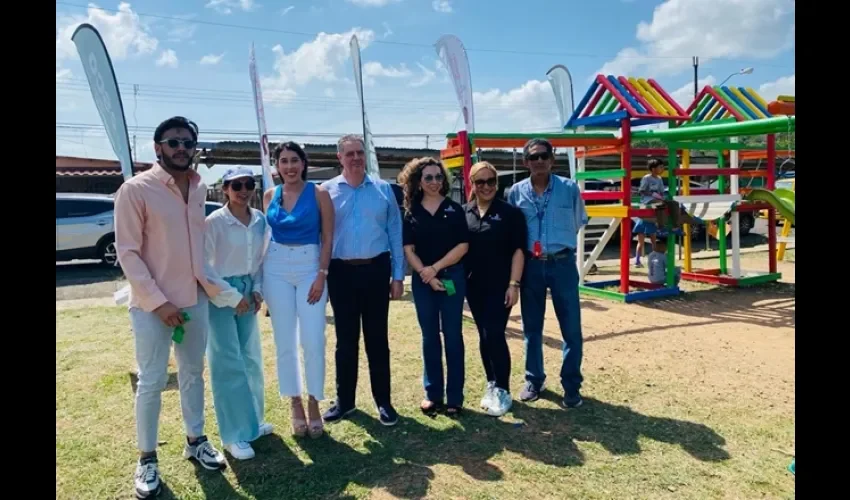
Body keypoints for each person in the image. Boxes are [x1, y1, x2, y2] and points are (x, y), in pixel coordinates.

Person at [114, 116, 226, 499]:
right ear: (158, 146)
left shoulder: (198, 187)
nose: (181, 148)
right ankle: (147, 458)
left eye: (187, 143)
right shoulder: (135, 189)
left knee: (194, 373)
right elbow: (127, 253)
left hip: (195, 299)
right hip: (151, 305)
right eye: (173, 142)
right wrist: (159, 303)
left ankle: (196, 440)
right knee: (152, 381)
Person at [321, 134, 405, 426]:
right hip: (340, 272)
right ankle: (345, 402)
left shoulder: (383, 190)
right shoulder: (326, 191)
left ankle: (384, 401)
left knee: (377, 339)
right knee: (345, 341)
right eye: (350, 154)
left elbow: (395, 232)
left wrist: (397, 277)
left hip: (376, 270)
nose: (356, 158)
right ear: (339, 157)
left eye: (360, 153)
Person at [506, 138, 588, 409]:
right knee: (531, 327)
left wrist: (556, 247)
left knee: (571, 329)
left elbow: (577, 223)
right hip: (530, 266)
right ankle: (534, 379)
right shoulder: (515, 192)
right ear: (526, 162)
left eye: (543, 156)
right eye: (533, 157)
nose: (538, 161)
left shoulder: (569, 189)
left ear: (552, 159)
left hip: (562, 264)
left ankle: (571, 385)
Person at [262, 142, 335, 439]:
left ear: (304, 164)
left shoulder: (319, 194)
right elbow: (263, 236)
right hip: (275, 268)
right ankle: (294, 401)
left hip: (310, 267)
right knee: (284, 340)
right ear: (277, 166)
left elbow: (328, 237)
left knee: (313, 337)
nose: (289, 166)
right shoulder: (270, 195)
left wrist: (321, 274)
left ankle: (314, 401)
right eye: (283, 161)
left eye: (294, 160)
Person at [204, 167, 272, 460]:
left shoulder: (260, 221)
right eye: (236, 185)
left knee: (252, 359)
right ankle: (233, 435)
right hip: (219, 293)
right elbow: (204, 267)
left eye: (248, 184)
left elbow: (260, 260)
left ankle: (253, 420)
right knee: (227, 362)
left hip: (247, 290)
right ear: (225, 189)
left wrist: (256, 290)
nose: (243, 190)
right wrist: (231, 297)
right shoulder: (214, 223)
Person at [401, 157, 469, 417]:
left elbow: (463, 245)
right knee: (430, 337)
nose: (434, 182)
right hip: (423, 283)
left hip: (451, 279)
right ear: (418, 181)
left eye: (438, 177)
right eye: (428, 177)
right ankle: (433, 394)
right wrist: (426, 274)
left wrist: (435, 268)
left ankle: (455, 397)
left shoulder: (454, 209)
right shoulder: (412, 212)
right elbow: (409, 249)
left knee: (452, 336)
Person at [463, 161, 526, 417]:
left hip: (501, 286)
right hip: (473, 286)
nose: (486, 186)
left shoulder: (510, 213)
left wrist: (514, 284)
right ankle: (491, 382)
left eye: (491, 181)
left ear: (497, 184)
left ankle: (503, 389)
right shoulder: (464, 212)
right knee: (483, 335)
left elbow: (518, 251)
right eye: (481, 182)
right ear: (472, 185)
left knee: (495, 334)